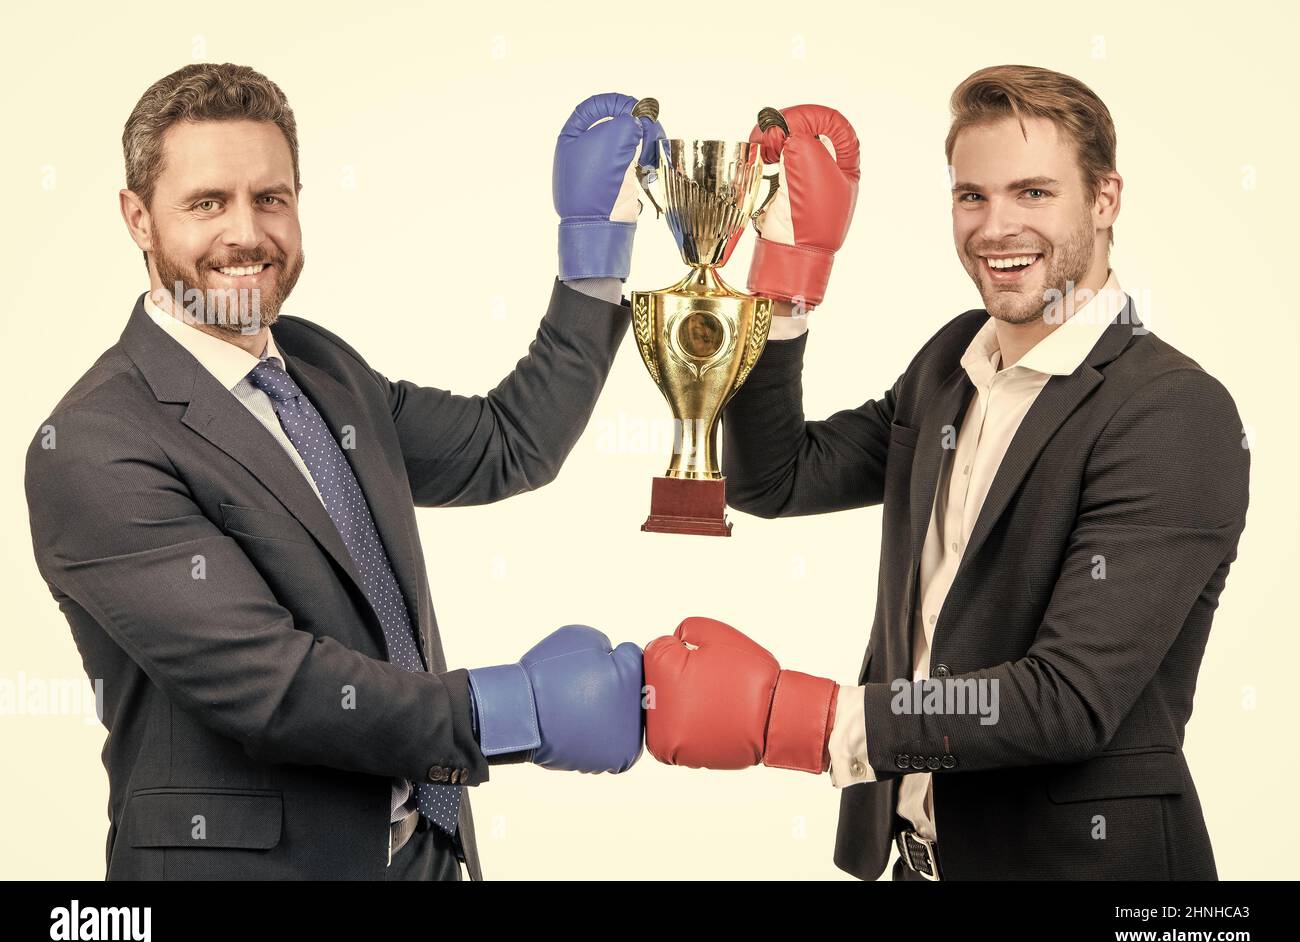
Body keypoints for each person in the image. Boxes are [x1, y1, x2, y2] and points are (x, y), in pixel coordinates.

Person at [23, 63, 661, 881]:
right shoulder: (94, 443)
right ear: (138, 219)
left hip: (422, 857)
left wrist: (592, 254)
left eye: (271, 198)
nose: (246, 234)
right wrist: (514, 709)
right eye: (207, 202)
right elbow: (276, 687)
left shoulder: (321, 368)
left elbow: (507, 444)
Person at [644, 68, 1250, 881]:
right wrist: (786, 289)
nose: (995, 228)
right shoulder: (951, 363)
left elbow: (1066, 700)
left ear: (1105, 199)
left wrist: (818, 720)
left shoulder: (1173, 413)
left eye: (1032, 193)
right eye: (972, 197)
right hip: (919, 861)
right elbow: (777, 478)